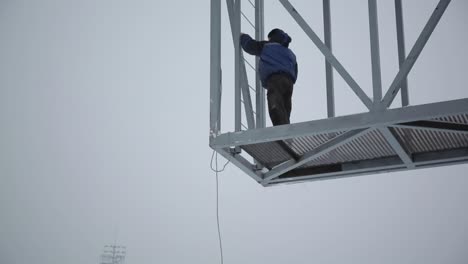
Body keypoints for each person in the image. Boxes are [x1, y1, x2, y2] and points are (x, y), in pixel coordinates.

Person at [240, 28, 298, 126]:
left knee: (275, 103)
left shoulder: (267, 46)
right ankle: (287, 130)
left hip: (275, 79)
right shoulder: (290, 53)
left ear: (273, 37)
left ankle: (280, 131)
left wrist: (243, 36)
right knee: (285, 107)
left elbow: (250, 46)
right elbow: (295, 69)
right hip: (289, 82)